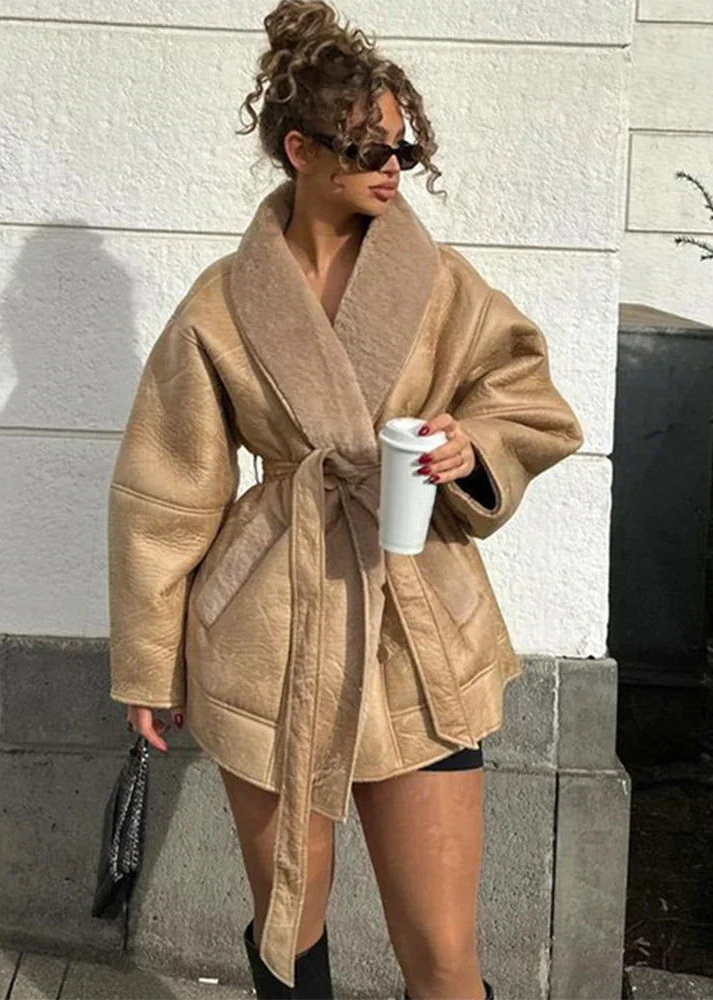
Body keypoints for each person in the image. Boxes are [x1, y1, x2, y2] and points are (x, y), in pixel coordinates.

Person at [107, 1, 584, 998]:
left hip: (415, 618)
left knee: (442, 952)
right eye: (371, 148)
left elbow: (528, 400)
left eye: (406, 148)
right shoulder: (222, 302)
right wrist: (150, 663)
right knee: (290, 929)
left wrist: (474, 446)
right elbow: (168, 486)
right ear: (300, 149)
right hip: (269, 628)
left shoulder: (441, 284)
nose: (394, 167)